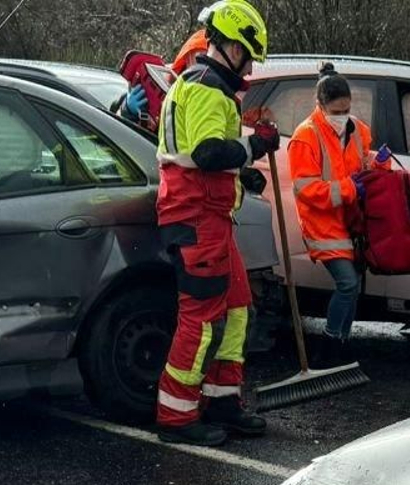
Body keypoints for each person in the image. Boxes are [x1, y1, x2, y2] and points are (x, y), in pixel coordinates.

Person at [153, 0, 275, 446]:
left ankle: (223, 399)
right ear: (227, 45)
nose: (245, 65)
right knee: (200, 319)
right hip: (196, 218)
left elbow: (200, 154)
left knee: (238, 307)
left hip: (211, 218)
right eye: (244, 53)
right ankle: (177, 416)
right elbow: (206, 153)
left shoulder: (203, 85)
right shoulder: (206, 87)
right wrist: (255, 147)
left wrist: (240, 171)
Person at [288, 64, 374, 365]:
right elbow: (307, 190)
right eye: (337, 111)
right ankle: (329, 347)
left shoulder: (358, 130)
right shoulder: (305, 137)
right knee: (348, 284)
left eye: (347, 109)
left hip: (350, 223)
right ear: (321, 106)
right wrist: (351, 189)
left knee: (353, 287)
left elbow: (365, 161)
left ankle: (340, 343)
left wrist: (379, 167)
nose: (343, 116)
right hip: (322, 225)